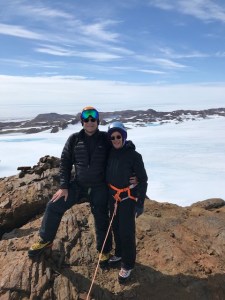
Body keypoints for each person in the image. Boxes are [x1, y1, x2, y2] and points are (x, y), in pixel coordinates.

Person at [28, 106, 112, 265]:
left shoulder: (105, 139)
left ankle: (104, 251)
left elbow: (121, 149)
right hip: (78, 185)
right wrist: (64, 186)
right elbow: (65, 163)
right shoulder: (74, 139)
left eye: (93, 118)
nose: (90, 122)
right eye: (86, 119)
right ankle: (46, 240)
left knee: (101, 217)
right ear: (82, 121)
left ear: (98, 121)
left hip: (99, 186)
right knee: (53, 206)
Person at [106, 121, 148, 283]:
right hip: (113, 197)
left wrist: (140, 203)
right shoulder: (109, 152)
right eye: (112, 137)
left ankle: (128, 263)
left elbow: (143, 180)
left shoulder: (134, 156)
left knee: (126, 231)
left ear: (124, 137)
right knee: (115, 226)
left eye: (119, 136)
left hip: (128, 198)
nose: (116, 140)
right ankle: (120, 253)